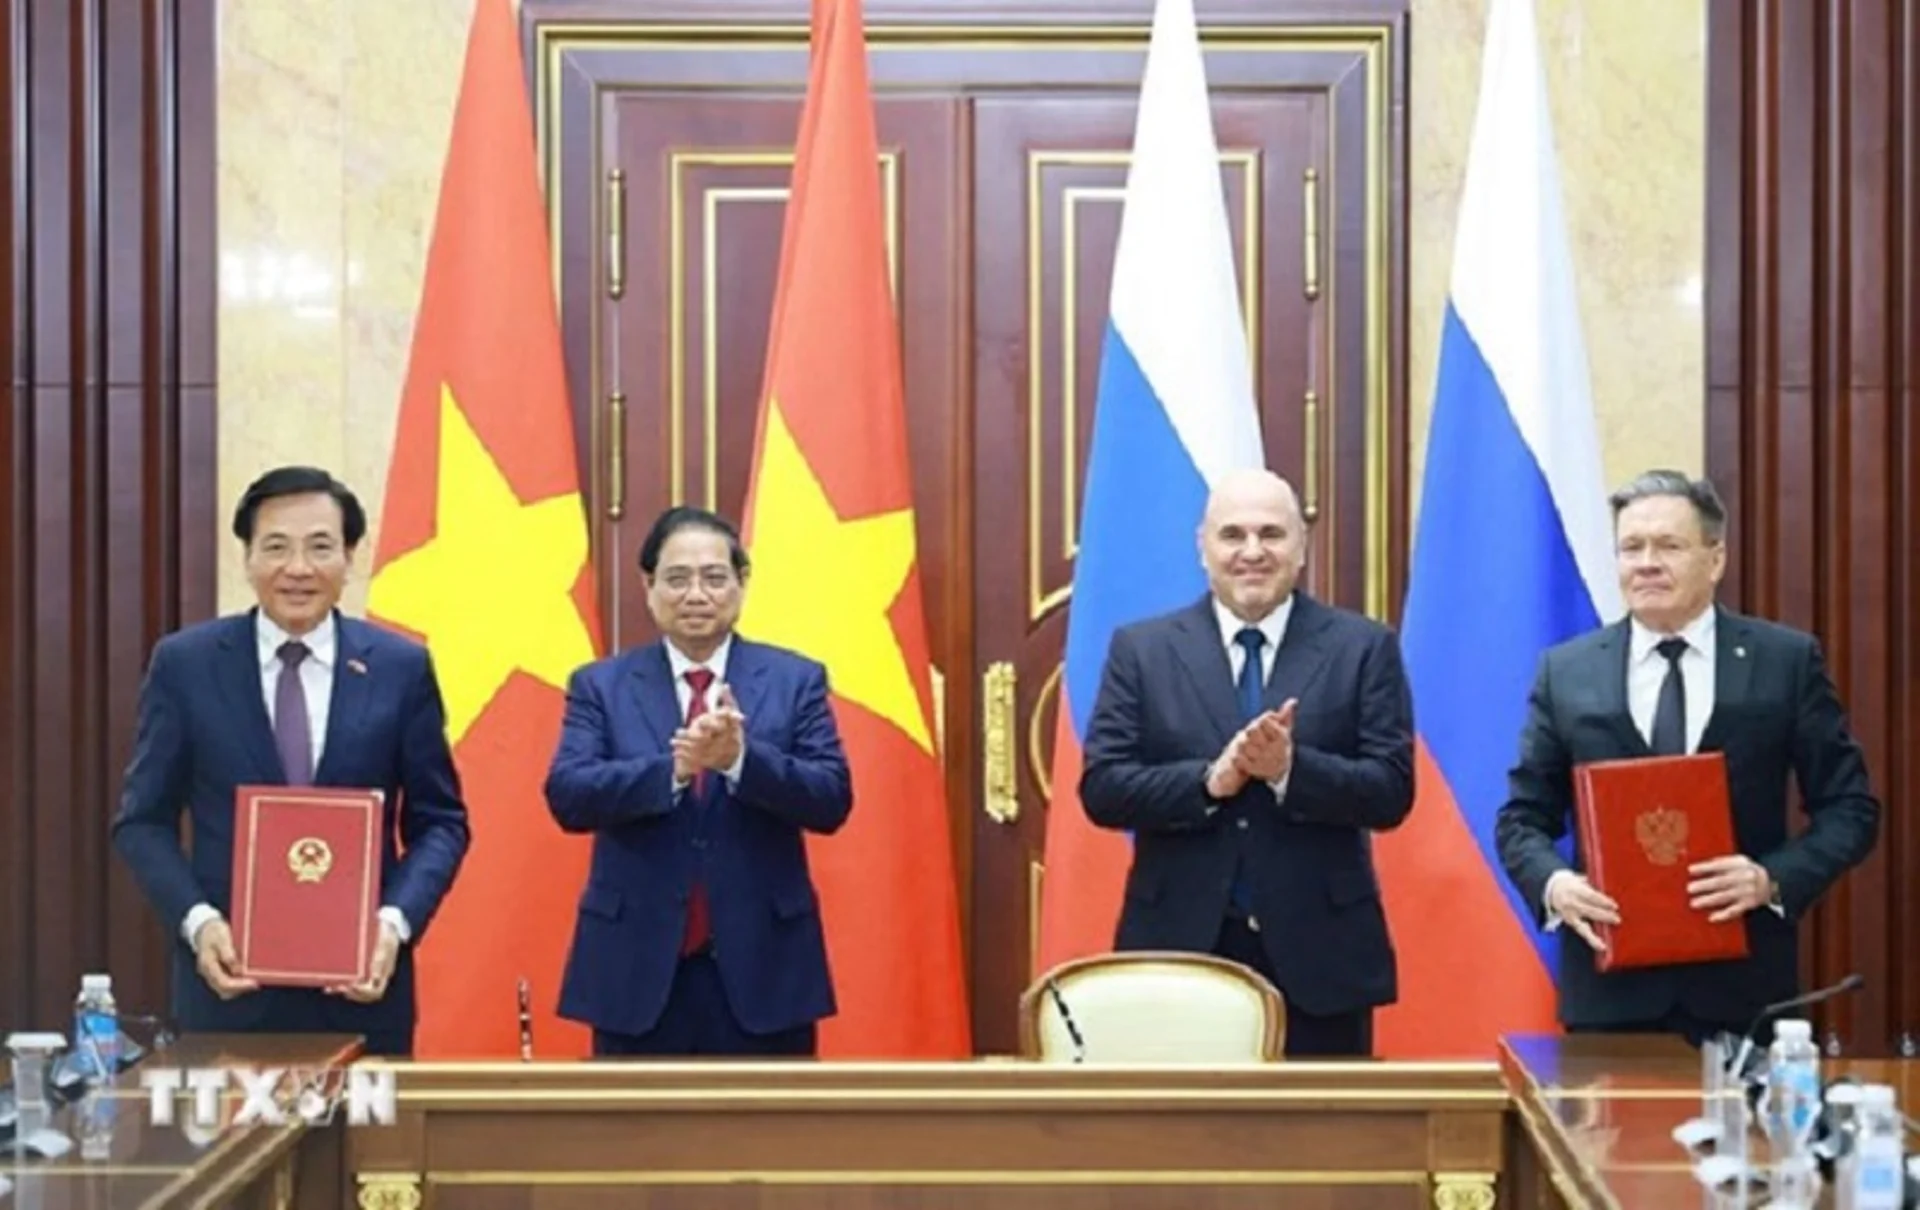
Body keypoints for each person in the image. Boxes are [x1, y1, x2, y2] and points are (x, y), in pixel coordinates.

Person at [1495, 470, 1880, 1044]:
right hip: (1610, 995)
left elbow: (1850, 809)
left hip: (1744, 991)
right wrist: (1554, 885)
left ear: (1715, 559)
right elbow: (1521, 819)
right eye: (1632, 547)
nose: (1647, 563)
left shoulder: (1785, 661)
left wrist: (1772, 879)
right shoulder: (1567, 671)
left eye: (1669, 546)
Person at [111, 466, 471, 1057]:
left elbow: (441, 823)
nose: (298, 568)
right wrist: (198, 922)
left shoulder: (400, 668)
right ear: (248, 558)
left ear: (349, 558)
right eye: (276, 547)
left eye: (320, 547)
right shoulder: (186, 665)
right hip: (227, 995)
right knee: (231, 1125)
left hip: (363, 996)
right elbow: (142, 822)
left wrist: (393, 924)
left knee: (365, 1123)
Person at [1078, 468, 1415, 1057]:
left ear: (1301, 546)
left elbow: (1391, 791)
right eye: (1233, 535)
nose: (1252, 552)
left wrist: (1290, 771)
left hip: (1321, 961)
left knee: (1321, 1120)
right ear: (1202, 547)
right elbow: (1103, 788)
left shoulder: (1363, 647)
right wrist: (1211, 781)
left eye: (1271, 534)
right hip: (1179, 951)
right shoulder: (1143, 650)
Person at [545, 505, 852, 1057]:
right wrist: (674, 770)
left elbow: (831, 798)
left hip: (766, 970)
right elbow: (569, 795)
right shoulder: (600, 686)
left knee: (766, 1117)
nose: (695, 595)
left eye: (713, 577)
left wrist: (741, 761)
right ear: (648, 586)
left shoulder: (795, 679)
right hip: (635, 971)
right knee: (634, 1118)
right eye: (677, 578)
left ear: (741, 582)